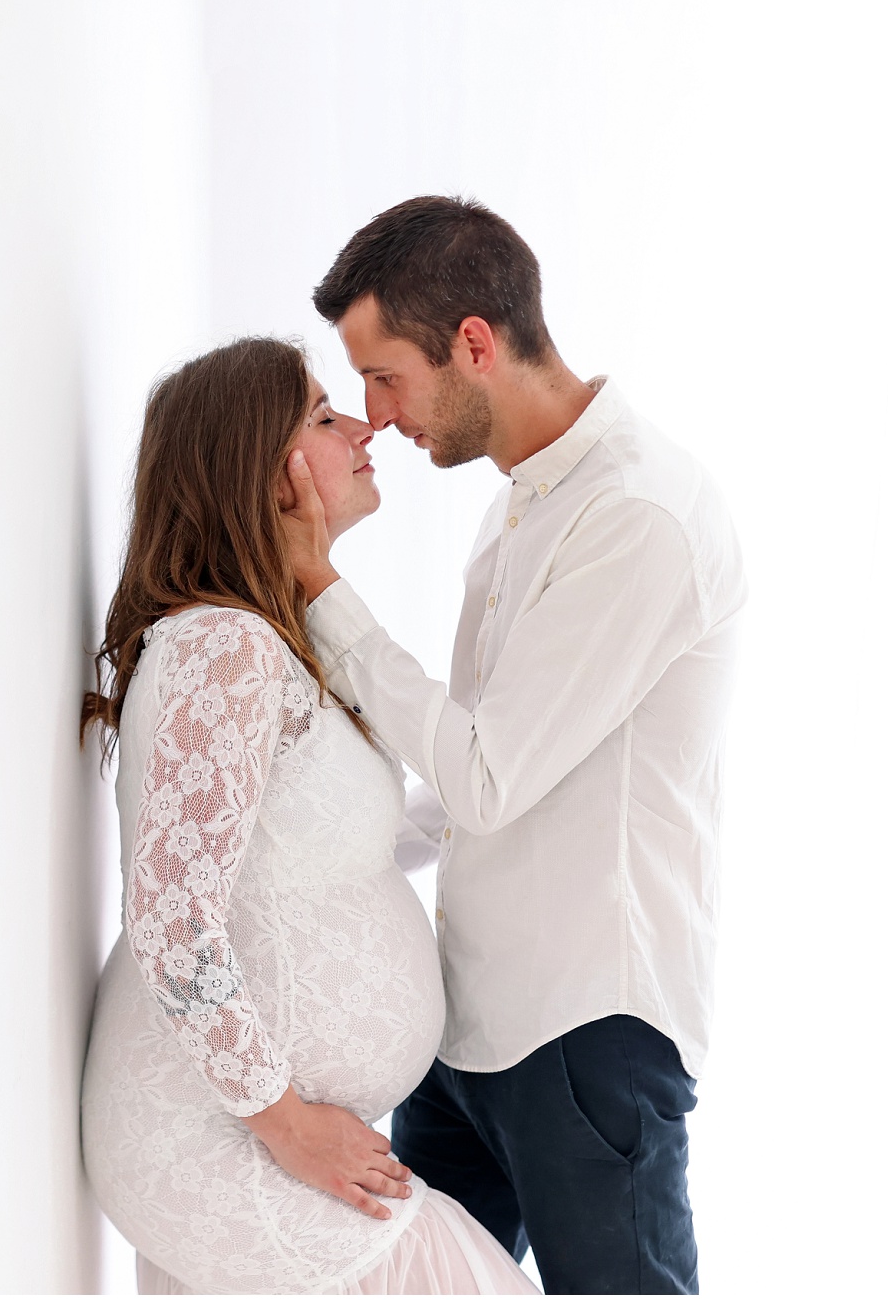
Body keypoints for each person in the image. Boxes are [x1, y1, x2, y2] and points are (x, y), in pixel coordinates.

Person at [279, 196, 747, 1295]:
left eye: (384, 376)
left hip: (584, 1033)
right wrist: (311, 863)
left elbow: (482, 772)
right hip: (466, 1027)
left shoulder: (638, 515)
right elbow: (478, 770)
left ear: (474, 344)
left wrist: (321, 595)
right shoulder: (521, 505)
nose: (374, 417)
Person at [80, 337, 538, 1295]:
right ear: (261, 468)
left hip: (239, 1119)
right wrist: (285, 1121)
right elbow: (171, 919)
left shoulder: (268, 645)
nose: (365, 425)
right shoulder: (222, 648)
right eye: (324, 416)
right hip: (214, 1131)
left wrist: (503, 799)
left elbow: (325, 848)